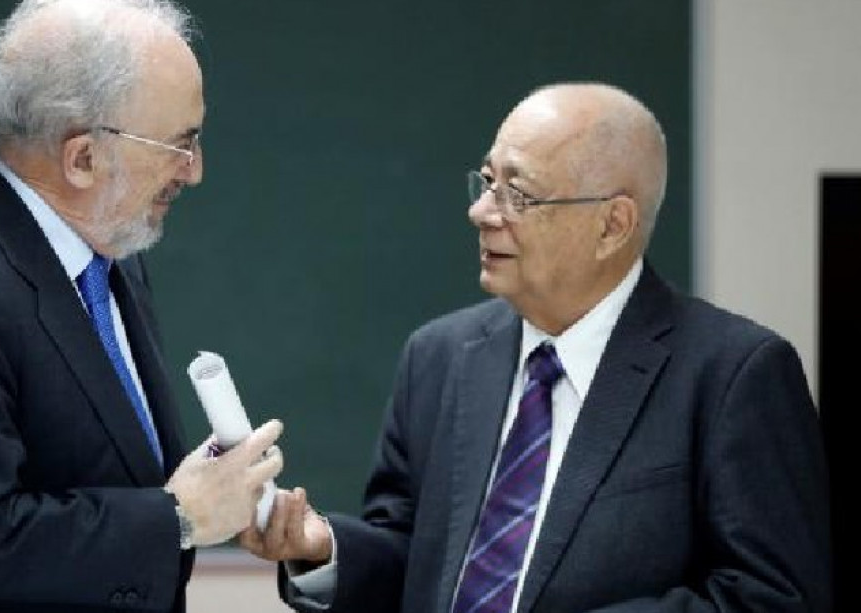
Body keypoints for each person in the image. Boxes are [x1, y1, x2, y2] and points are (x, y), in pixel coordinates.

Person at [241, 82, 831, 613]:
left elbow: (773, 595)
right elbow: (413, 556)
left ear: (612, 226)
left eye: (517, 194)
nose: (481, 212)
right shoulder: (440, 357)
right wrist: (324, 549)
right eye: (487, 182)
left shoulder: (733, 373)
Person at [0, 0, 283, 611]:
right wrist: (179, 515)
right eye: (181, 145)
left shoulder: (111, 250)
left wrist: (211, 486)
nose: (196, 171)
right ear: (83, 158)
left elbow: (102, 466)